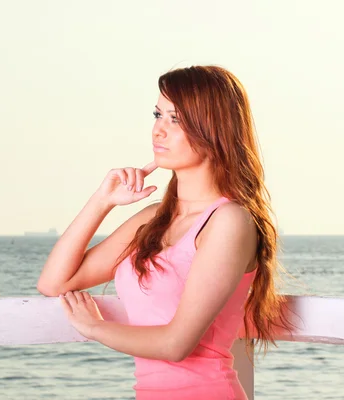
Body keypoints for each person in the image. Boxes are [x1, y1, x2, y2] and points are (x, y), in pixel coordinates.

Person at [37, 65, 292, 400]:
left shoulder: (229, 221)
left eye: (176, 119)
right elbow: (54, 283)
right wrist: (102, 201)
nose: (158, 130)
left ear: (214, 129)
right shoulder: (154, 218)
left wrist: (96, 328)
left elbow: (176, 344)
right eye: (158, 114)